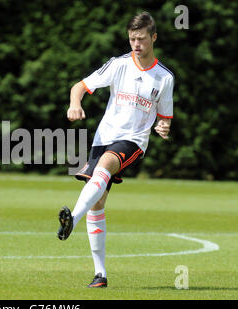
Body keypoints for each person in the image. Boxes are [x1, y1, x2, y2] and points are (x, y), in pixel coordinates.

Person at [57, 11, 174, 288]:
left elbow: (165, 120)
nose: (136, 44)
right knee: (97, 203)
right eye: (132, 38)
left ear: (154, 38)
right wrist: (75, 103)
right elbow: (80, 87)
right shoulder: (118, 65)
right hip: (103, 137)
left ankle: (72, 218)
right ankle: (100, 275)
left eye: (142, 39)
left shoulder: (164, 77)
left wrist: (163, 129)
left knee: (105, 166)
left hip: (132, 141)